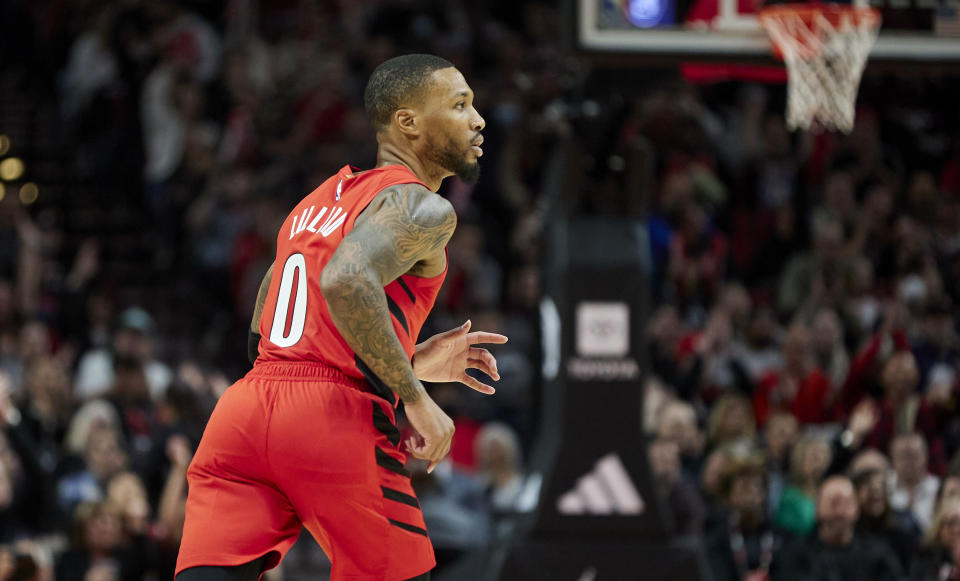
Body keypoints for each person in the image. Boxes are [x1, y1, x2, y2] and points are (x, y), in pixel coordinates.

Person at [175, 54, 506, 581]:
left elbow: (266, 328)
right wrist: (417, 402)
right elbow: (346, 280)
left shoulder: (314, 203)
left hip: (242, 413)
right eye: (460, 104)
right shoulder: (424, 207)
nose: (478, 119)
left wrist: (409, 361)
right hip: (330, 421)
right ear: (408, 122)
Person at [771, 476, 903, 581]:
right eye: (833, 503)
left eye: (846, 504)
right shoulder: (793, 555)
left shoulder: (879, 554)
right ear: (817, 508)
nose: (839, 512)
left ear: (857, 509)